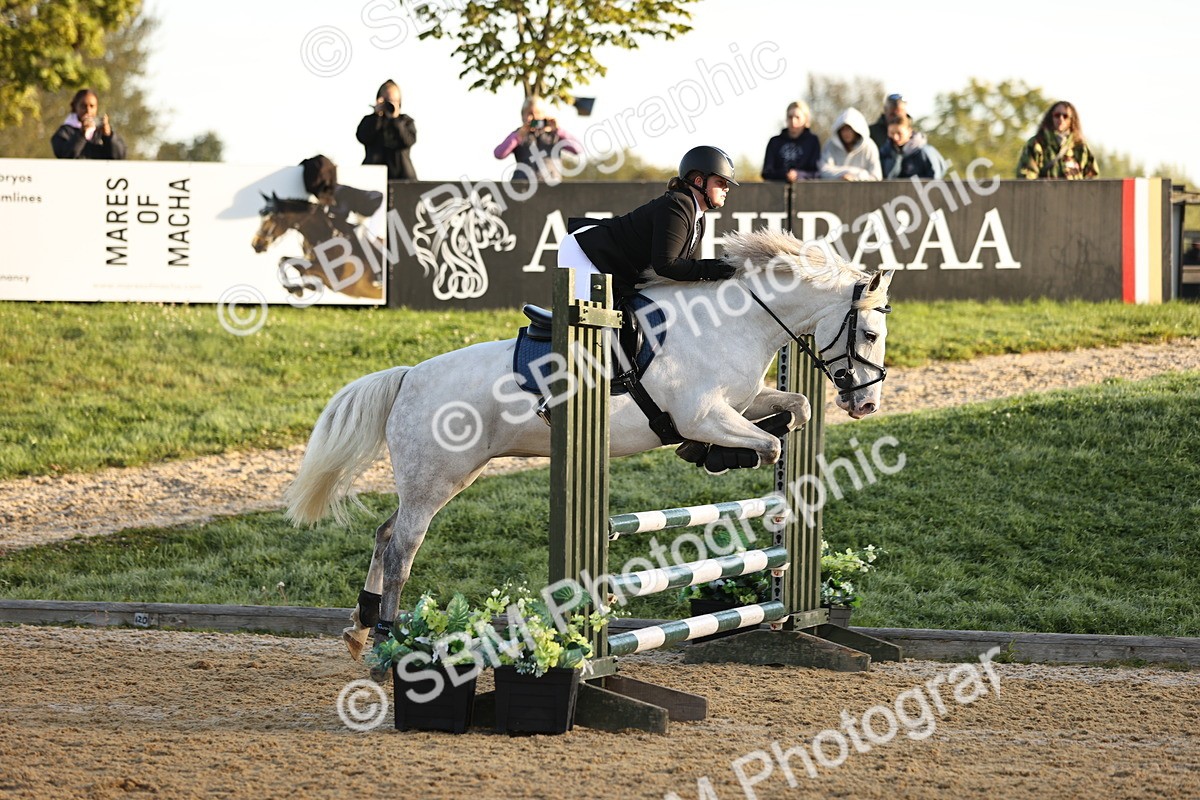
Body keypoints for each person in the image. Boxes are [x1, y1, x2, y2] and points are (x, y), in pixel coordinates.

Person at [558, 145, 738, 301]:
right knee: (593, 327)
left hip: (610, 263)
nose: (726, 188)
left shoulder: (698, 218)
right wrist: (720, 268)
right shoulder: (677, 205)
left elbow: (688, 269)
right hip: (587, 251)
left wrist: (720, 271)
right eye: (720, 182)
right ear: (699, 181)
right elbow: (666, 265)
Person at [493, 95, 581, 182]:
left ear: (544, 115)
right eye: (530, 113)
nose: (534, 117)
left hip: (551, 185)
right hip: (522, 186)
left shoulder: (555, 134)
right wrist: (517, 137)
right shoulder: (517, 135)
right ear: (523, 115)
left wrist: (558, 130)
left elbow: (577, 149)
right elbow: (499, 154)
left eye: (538, 113)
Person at [1016, 101, 1099, 180]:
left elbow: (1091, 179)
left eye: (1065, 116)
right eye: (1057, 115)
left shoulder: (1080, 146)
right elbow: (1026, 177)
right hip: (1044, 193)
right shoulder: (1036, 144)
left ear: (1072, 120)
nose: (1061, 119)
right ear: (1051, 117)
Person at [356, 79, 418, 180]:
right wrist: (377, 116)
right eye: (386, 100)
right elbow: (363, 137)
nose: (389, 104)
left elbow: (408, 141)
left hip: (402, 179)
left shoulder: (406, 121)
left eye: (393, 100)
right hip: (373, 177)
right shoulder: (371, 120)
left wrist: (396, 120)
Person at [50, 88, 126, 160]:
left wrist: (108, 136)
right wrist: (81, 135)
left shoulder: (100, 132)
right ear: (76, 107)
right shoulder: (65, 132)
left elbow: (119, 156)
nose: (88, 110)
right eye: (83, 106)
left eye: (92, 106)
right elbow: (65, 155)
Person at [761, 100, 821, 182]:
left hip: (805, 191)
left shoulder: (812, 141)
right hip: (777, 191)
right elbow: (766, 172)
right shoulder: (774, 142)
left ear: (806, 119)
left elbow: (816, 173)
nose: (793, 121)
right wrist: (785, 174)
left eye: (797, 117)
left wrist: (798, 175)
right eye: (790, 117)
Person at [818, 108, 881, 181]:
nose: (846, 133)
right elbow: (823, 171)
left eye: (849, 129)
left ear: (856, 130)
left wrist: (856, 177)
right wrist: (844, 175)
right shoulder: (830, 145)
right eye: (843, 129)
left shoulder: (869, 147)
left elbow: (876, 176)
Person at [880, 116, 947, 179]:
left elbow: (935, 179)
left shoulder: (924, 152)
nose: (895, 137)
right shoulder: (885, 152)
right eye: (892, 133)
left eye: (899, 133)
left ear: (909, 131)